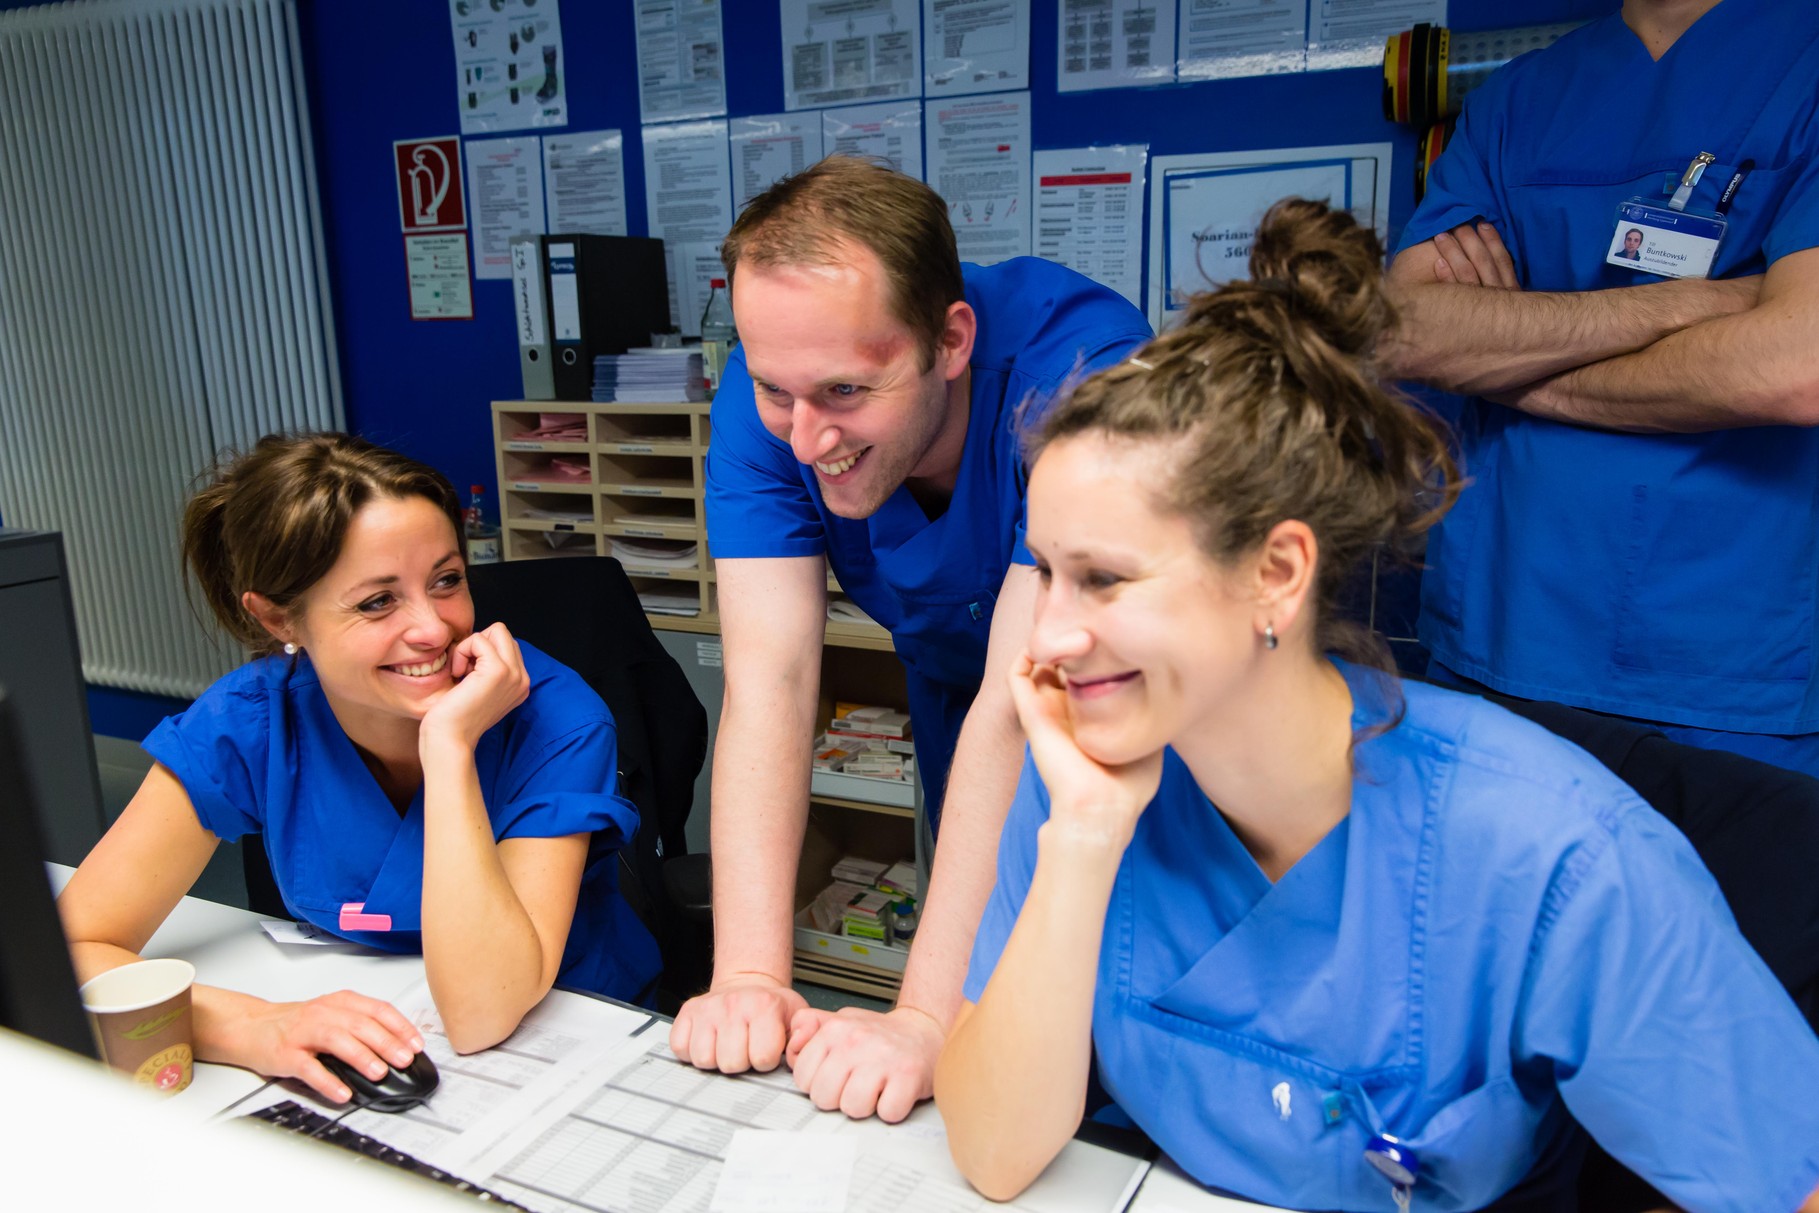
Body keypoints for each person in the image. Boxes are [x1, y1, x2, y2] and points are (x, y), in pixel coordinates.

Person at [935, 199, 1819, 1213]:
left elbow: (1783, 1184)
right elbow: (994, 1153)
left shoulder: (1556, 855)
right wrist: (1083, 839)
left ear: (1275, 572)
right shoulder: (1080, 787)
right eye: (1044, 572)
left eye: (1101, 578)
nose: (1045, 638)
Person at [672, 157, 1151, 1119]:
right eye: (775, 393)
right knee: (982, 1024)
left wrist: (925, 1016)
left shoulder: (1079, 373)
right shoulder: (779, 391)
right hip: (950, 694)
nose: (805, 439)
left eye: (847, 392)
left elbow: (1023, 706)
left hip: (1106, 713)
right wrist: (750, 975)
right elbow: (769, 678)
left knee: (1101, 1013)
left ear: (950, 340)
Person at [57, 434, 660, 1103]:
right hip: (362, 1028)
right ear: (280, 616)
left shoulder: (555, 717)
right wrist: (255, 1026)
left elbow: (485, 1011)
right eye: (378, 601)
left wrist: (450, 748)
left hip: (566, 1041)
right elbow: (74, 948)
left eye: (447, 580)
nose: (433, 627)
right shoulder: (250, 720)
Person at [1383, 0, 1819, 775]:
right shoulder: (1515, 101)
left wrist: (1503, 356)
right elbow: (1406, 331)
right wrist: (1687, 305)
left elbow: (1792, 365)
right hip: (1497, 643)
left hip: (1735, 678)